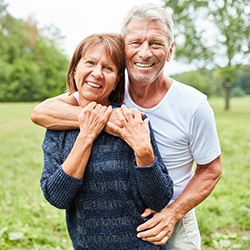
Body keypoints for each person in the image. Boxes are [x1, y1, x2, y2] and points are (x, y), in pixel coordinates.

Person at [31, 3, 222, 250]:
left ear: (170, 51)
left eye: (155, 43)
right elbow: (41, 112)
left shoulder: (194, 105)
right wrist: (106, 121)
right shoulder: (106, 89)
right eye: (136, 43)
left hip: (175, 213)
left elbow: (211, 169)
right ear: (124, 47)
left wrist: (172, 213)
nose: (144, 53)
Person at [39, 33, 173, 250]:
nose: (97, 73)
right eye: (90, 63)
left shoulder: (132, 120)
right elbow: (57, 197)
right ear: (75, 70)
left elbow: (159, 199)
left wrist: (144, 153)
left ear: (117, 80)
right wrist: (86, 135)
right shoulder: (58, 128)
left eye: (108, 68)